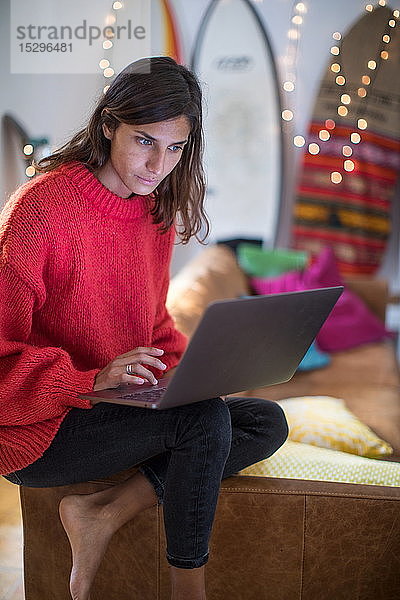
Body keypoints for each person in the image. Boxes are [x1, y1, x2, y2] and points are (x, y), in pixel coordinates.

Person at [0, 56, 288, 600]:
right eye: (144, 141)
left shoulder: (154, 210)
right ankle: (189, 591)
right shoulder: (40, 211)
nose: (158, 164)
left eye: (175, 148)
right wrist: (90, 380)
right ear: (108, 126)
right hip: (43, 424)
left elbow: (153, 326)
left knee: (264, 422)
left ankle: (103, 513)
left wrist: (199, 375)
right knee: (203, 422)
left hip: (118, 407)